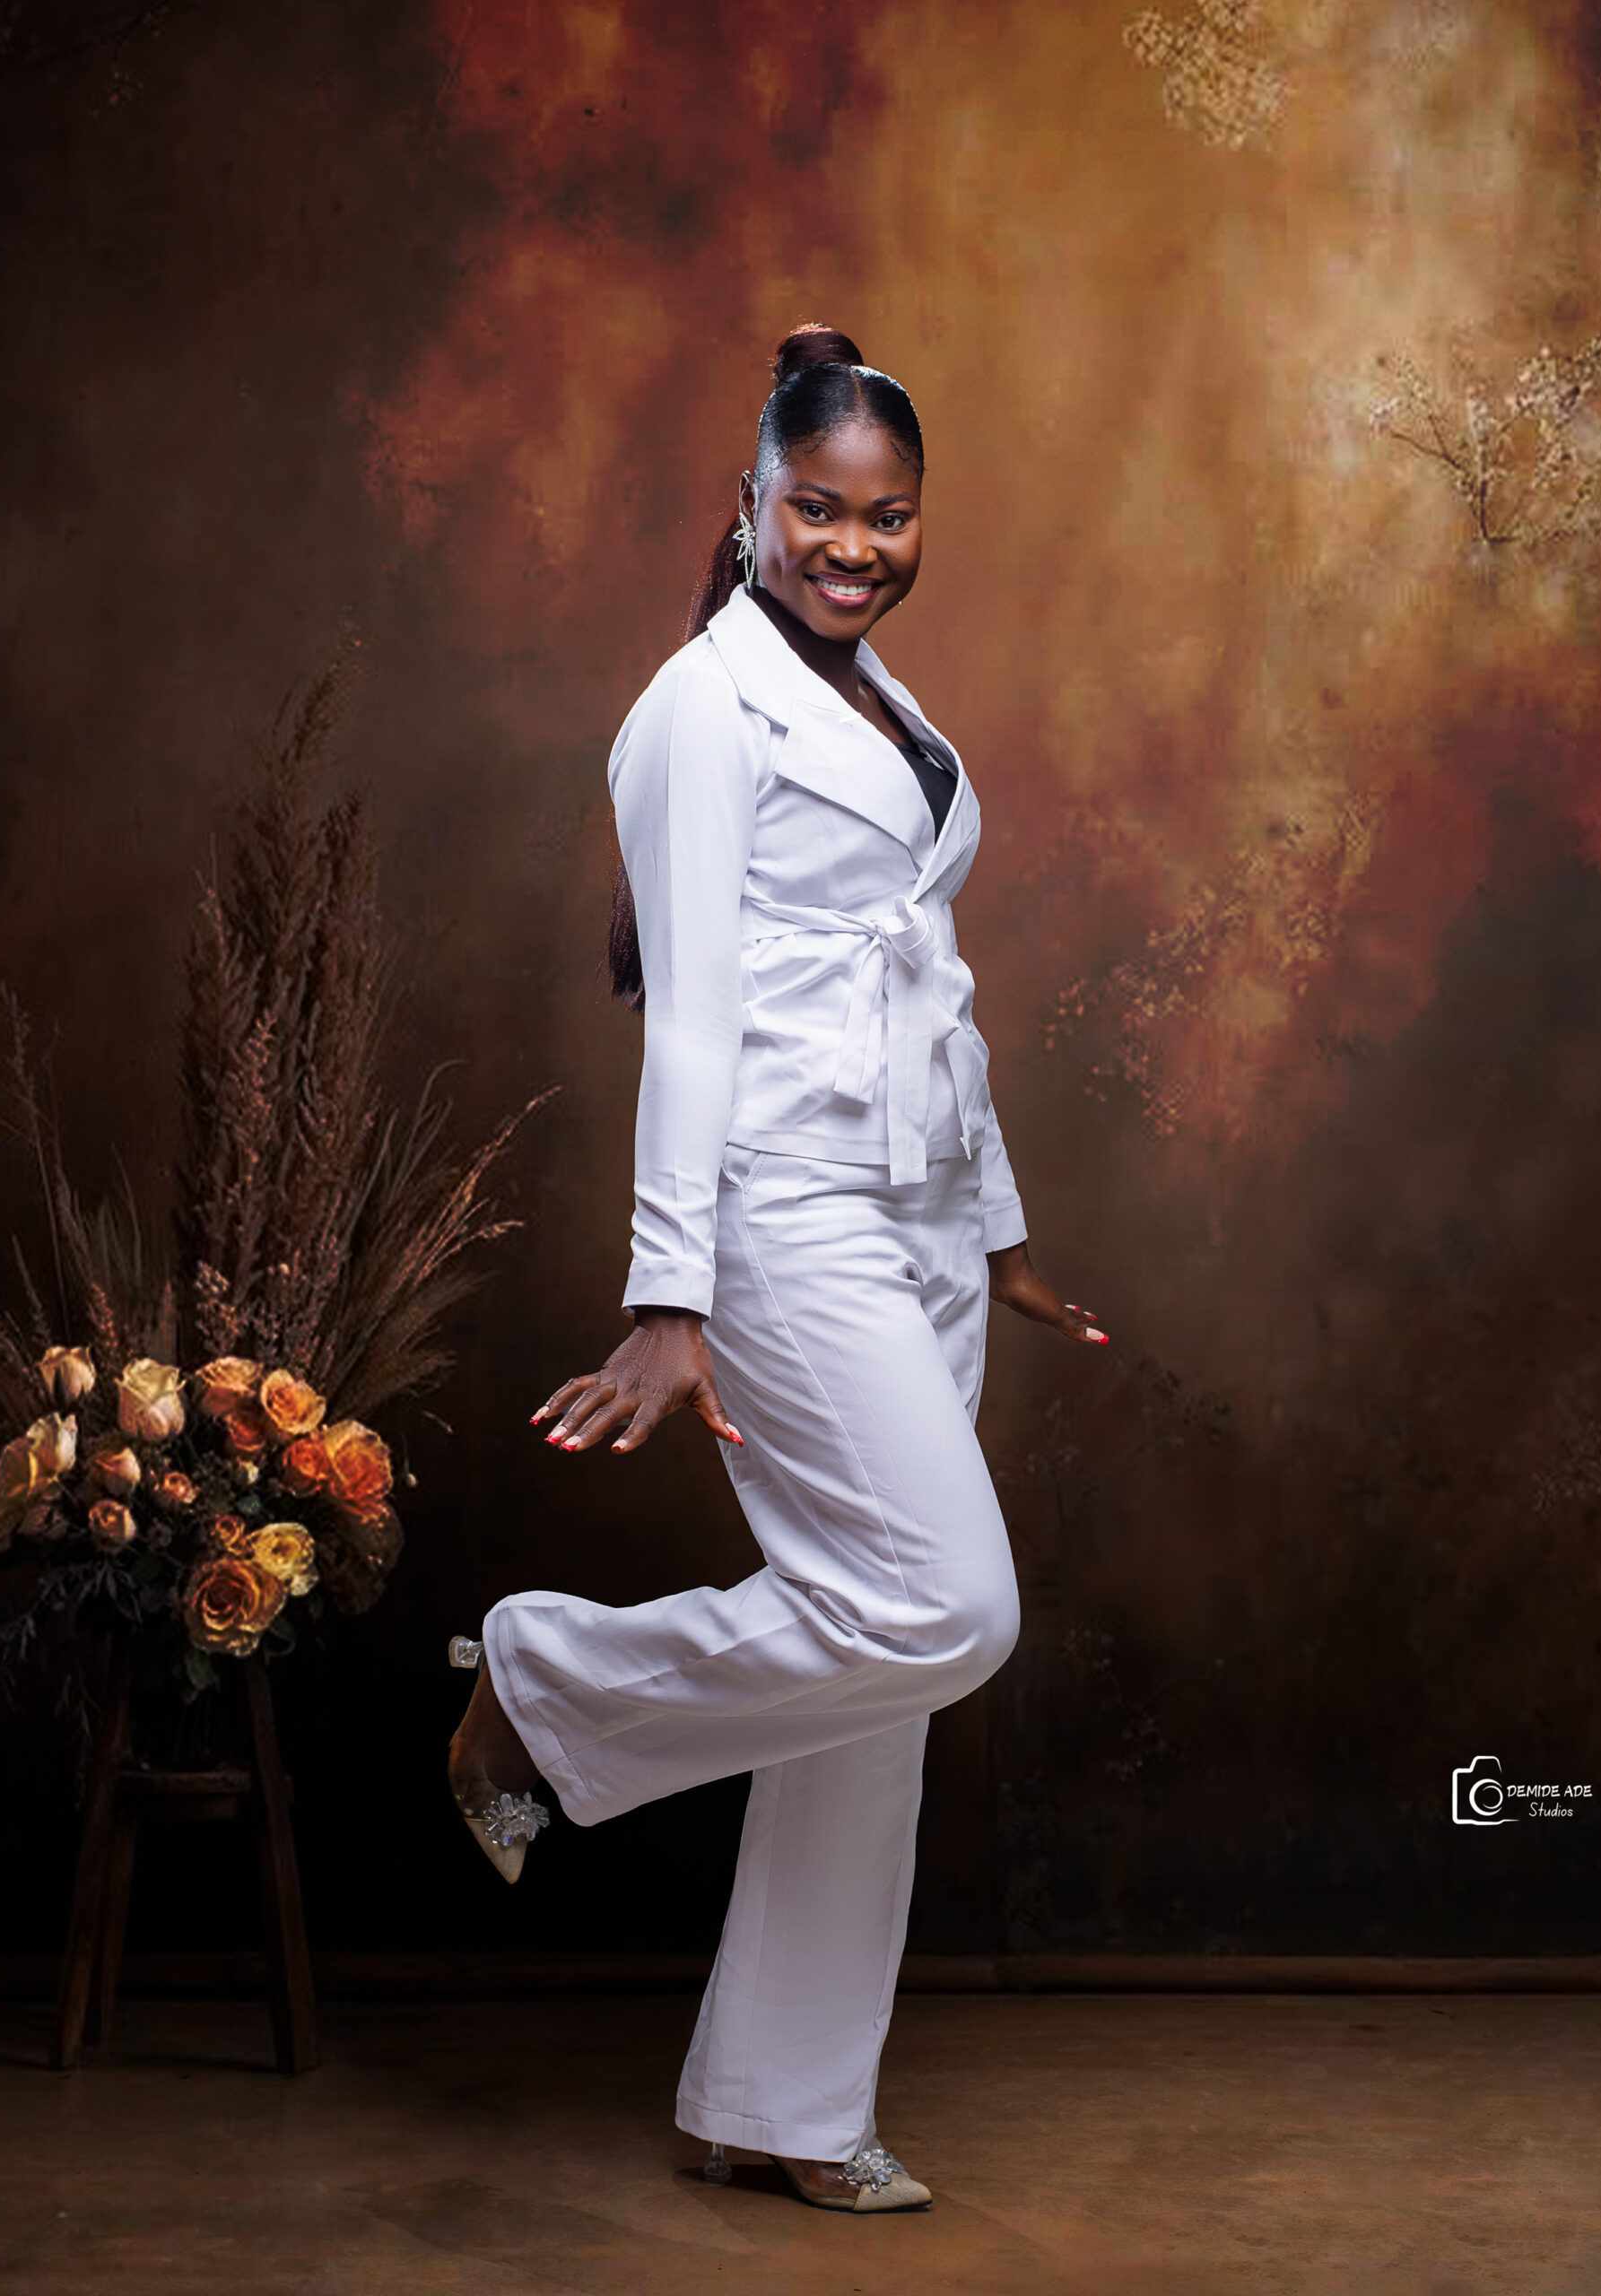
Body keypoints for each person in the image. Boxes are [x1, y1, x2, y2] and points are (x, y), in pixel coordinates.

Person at [448, 324, 1108, 2215]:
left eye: (887, 518)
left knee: (871, 1676)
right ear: (749, 505)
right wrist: (671, 1296)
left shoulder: (878, 698)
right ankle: (545, 1682)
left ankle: (783, 2104)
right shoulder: (699, 711)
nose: (854, 547)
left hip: (920, 1215)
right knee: (945, 1608)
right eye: (818, 509)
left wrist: (1000, 1226)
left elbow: (927, 988)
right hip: (789, 1214)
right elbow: (696, 1027)